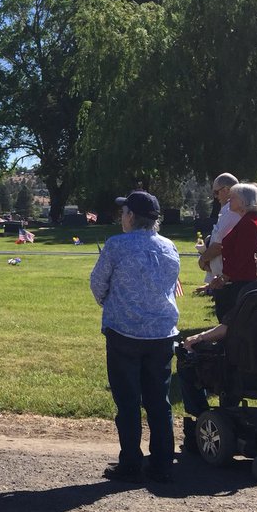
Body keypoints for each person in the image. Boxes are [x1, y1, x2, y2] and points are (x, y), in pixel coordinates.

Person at [89, 190, 180, 483]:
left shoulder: (117, 245)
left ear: (130, 216)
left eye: (123, 212)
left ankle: (130, 463)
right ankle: (163, 463)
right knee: (159, 400)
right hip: (162, 333)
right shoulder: (170, 246)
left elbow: (98, 283)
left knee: (128, 401)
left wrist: (112, 303)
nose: (121, 217)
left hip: (125, 331)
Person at [179, 240, 257, 445]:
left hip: (247, 371)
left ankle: (201, 416)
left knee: (186, 358)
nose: (255, 259)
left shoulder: (253, 292)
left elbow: (227, 328)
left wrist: (199, 338)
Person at [212, 183, 257, 322]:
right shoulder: (253, 219)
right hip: (244, 278)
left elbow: (241, 255)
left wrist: (224, 277)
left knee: (231, 320)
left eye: (233, 198)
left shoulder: (249, 223)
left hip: (242, 281)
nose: (229, 200)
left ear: (244, 201)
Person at [197, 172, 239, 290]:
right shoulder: (227, 212)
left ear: (226, 190)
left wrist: (203, 259)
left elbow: (220, 245)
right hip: (221, 276)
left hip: (227, 277)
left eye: (216, 192)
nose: (216, 196)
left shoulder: (231, 212)